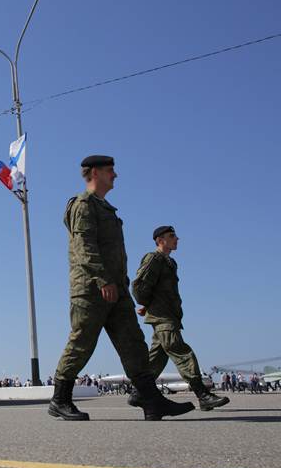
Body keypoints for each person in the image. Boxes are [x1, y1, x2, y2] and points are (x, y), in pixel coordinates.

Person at [49, 155, 195, 421]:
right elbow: (85, 248)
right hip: (92, 289)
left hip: (117, 290)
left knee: (134, 344)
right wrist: (102, 279)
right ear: (94, 173)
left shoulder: (106, 209)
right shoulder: (83, 205)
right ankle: (60, 399)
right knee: (82, 342)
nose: (115, 175)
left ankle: (151, 400)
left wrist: (116, 284)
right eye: (110, 171)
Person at [130, 226, 229, 411]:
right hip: (163, 317)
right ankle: (203, 395)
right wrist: (146, 303)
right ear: (160, 240)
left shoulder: (170, 262)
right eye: (172, 236)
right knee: (181, 351)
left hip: (168, 315)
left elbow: (159, 289)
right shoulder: (154, 258)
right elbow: (139, 285)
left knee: (157, 358)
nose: (177, 239)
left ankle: (138, 392)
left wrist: (148, 306)